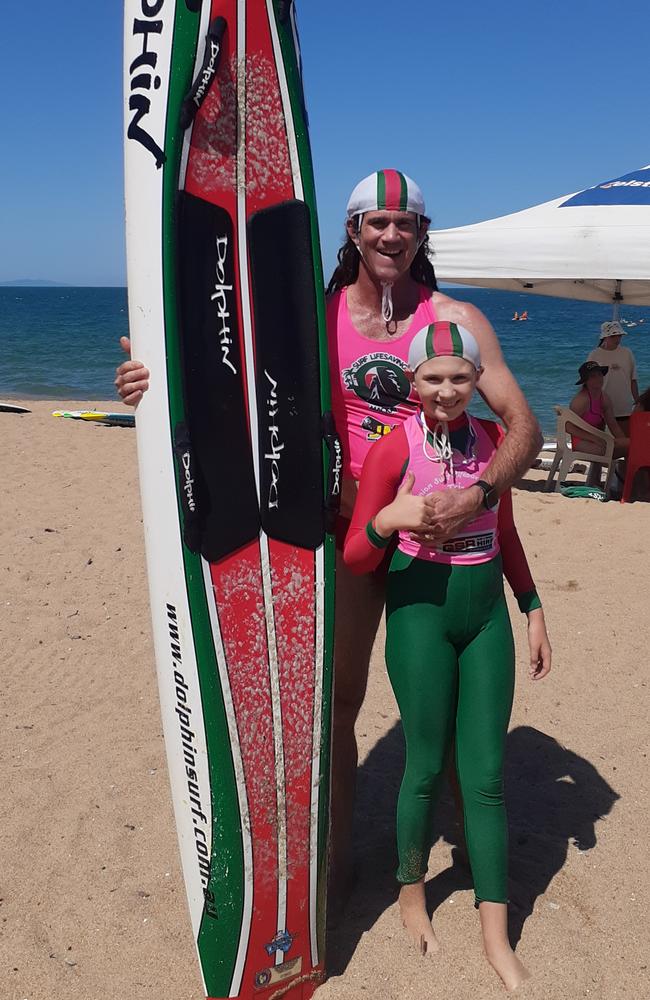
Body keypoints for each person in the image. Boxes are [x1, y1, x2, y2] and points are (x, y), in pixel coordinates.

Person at [115, 169, 543, 906]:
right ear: (352, 233)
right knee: (340, 703)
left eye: (404, 224)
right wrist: (146, 381)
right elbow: (226, 381)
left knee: (439, 705)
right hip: (347, 534)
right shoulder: (314, 316)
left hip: (439, 544)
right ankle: (337, 860)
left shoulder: (456, 318)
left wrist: (477, 492)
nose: (390, 235)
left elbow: (525, 428)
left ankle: (471, 840)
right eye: (376, 223)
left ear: (420, 234)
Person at [343, 320, 551, 991]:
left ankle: (496, 937)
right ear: (412, 382)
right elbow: (354, 553)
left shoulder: (493, 445)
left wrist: (533, 607)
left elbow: (508, 530)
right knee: (426, 767)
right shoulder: (390, 450)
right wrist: (388, 520)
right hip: (420, 617)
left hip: (486, 616)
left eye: (461, 376)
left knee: (486, 777)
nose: (448, 389)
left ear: (475, 381)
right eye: (434, 378)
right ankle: (411, 891)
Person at [568, 360, 628, 459]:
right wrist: (594, 438)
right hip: (581, 441)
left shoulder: (604, 397)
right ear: (586, 381)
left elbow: (613, 425)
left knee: (630, 445)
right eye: (593, 376)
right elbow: (568, 427)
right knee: (614, 450)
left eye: (600, 375)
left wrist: (623, 441)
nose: (598, 378)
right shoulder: (581, 401)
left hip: (598, 439)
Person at [588, 321, 639, 431]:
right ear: (605, 337)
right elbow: (587, 381)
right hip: (601, 404)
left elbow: (633, 380)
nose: (617, 339)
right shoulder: (595, 354)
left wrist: (638, 402)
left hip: (623, 405)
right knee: (601, 440)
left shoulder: (627, 353)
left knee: (623, 440)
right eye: (613, 336)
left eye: (619, 336)